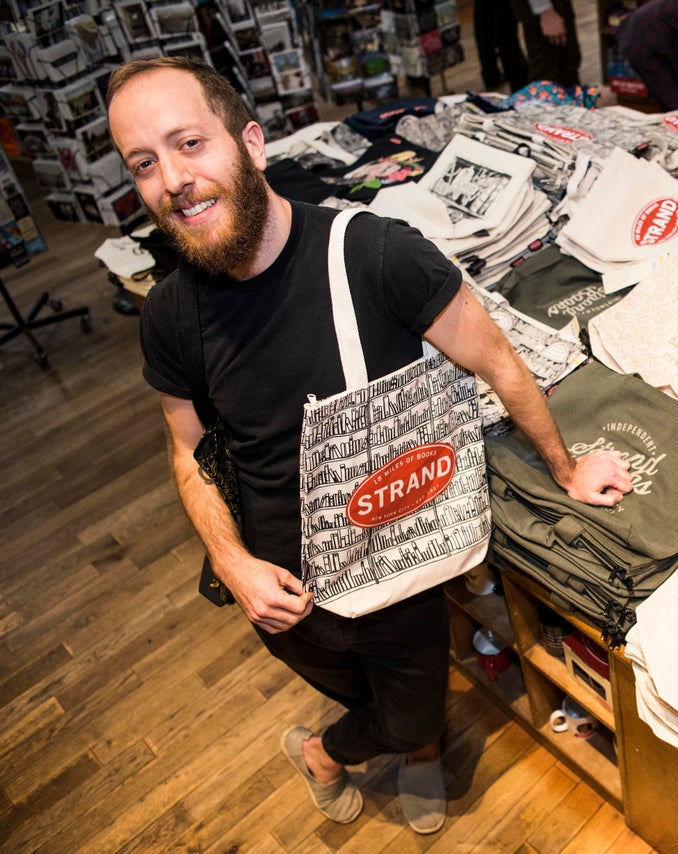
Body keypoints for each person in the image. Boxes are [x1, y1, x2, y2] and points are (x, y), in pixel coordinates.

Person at [106, 58, 633, 835]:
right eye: (144, 163)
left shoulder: (376, 254)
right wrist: (232, 561)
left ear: (251, 143)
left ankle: (336, 753)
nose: (173, 179)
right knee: (362, 690)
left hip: (395, 562)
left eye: (189, 143)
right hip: (279, 586)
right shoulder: (172, 313)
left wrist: (566, 466)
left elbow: (496, 361)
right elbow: (187, 453)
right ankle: (393, 736)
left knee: (413, 702)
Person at [511, 0, 581, 88]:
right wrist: (544, 10)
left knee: (567, 65)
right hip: (545, 11)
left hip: (554, 8)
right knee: (546, 76)